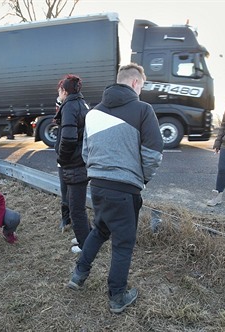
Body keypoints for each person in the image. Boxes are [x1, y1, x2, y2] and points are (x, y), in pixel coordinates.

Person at [67, 63, 163, 314]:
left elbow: (86, 152)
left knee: (99, 229)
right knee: (123, 243)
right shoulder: (143, 110)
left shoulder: (93, 113)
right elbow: (153, 154)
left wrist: (101, 173)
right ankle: (117, 296)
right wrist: (143, 179)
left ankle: (79, 274)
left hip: (97, 186)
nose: (141, 90)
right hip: (125, 188)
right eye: (141, 85)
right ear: (134, 83)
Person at [54, 74, 91, 254]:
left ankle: (85, 245)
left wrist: (62, 158)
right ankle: (85, 235)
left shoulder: (69, 106)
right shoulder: (82, 104)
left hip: (74, 164)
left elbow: (68, 138)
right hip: (82, 161)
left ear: (64, 90)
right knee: (78, 205)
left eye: (59, 91)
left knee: (76, 208)